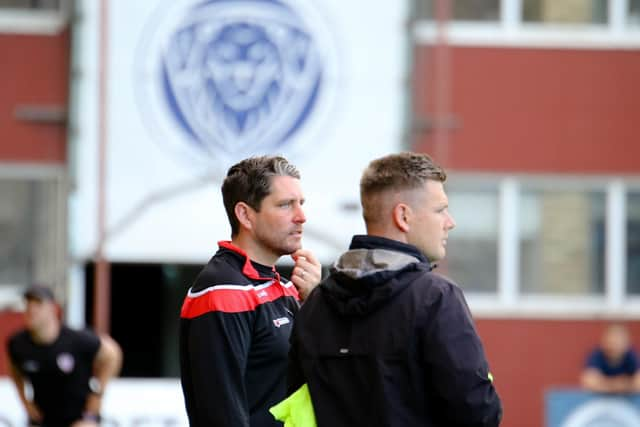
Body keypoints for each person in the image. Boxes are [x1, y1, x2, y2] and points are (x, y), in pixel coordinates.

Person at [285, 152, 503, 426]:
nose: (450, 221)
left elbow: (293, 408)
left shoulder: (315, 305)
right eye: (440, 210)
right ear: (403, 216)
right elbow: (478, 414)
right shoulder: (435, 298)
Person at [179, 155, 322, 427]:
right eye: (285, 205)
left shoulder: (286, 287)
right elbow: (220, 414)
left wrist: (316, 302)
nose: (301, 217)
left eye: (301, 204)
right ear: (245, 214)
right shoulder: (222, 290)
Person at [6, 284, 123, 427]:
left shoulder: (76, 339)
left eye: (38, 303)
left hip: (80, 417)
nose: (31, 309)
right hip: (44, 418)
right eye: (28, 303)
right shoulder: (18, 344)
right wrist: (25, 402)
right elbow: (15, 371)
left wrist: (98, 393)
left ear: (52, 308)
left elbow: (113, 354)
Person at [580, 323, 640, 393]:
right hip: (599, 399)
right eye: (612, 338)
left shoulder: (631, 356)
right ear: (605, 340)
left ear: (627, 342)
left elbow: (638, 383)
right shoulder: (596, 355)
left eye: (619, 339)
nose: (614, 343)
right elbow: (589, 382)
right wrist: (619, 385)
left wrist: (604, 384)